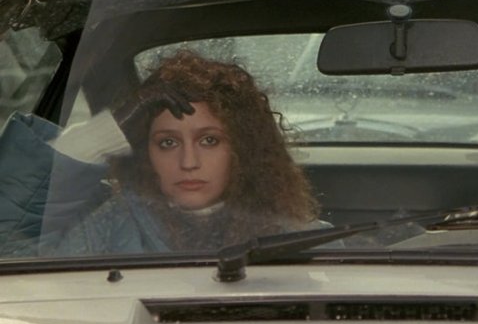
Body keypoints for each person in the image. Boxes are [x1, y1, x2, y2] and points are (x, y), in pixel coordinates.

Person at [1, 50, 323, 256]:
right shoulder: (108, 227)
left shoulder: (301, 241)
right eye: (168, 143)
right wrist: (103, 133)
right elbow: (10, 250)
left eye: (209, 140)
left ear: (242, 150)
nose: (188, 162)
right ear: (146, 155)